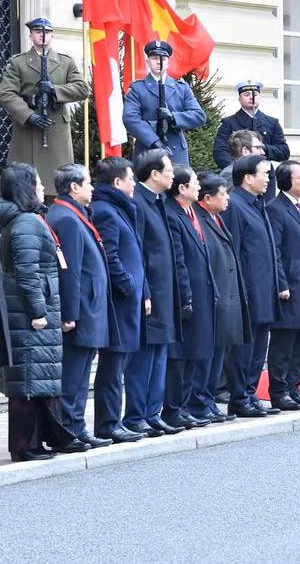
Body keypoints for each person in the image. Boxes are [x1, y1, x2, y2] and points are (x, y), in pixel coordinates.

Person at [0, 163, 89, 461]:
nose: (41, 187)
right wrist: (38, 311)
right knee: (28, 379)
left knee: (39, 378)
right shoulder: (26, 222)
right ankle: (25, 445)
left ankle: (48, 437)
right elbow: (27, 273)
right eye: (37, 183)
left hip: (37, 310)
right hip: (30, 314)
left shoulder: (29, 219)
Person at [48, 164, 116, 448]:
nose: (92, 188)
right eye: (88, 183)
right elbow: (70, 271)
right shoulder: (65, 218)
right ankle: (66, 431)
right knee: (72, 377)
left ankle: (78, 427)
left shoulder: (74, 214)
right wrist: (70, 313)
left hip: (90, 309)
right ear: (74, 187)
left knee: (80, 375)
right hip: (81, 312)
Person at [124, 149, 184, 437]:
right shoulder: (139, 204)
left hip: (166, 292)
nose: (173, 174)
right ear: (154, 174)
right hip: (151, 294)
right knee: (144, 358)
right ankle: (136, 415)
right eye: (168, 170)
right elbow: (138, 254)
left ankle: (152, 412)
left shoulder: (159, 202)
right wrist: (145, 291)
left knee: (160, 355)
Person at [0, 18, 89, 196]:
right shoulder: (18, 62)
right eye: (38, 32)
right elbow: (6, 93)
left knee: (59, 186)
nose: (43, 36)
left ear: (52, 35)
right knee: (24, 187)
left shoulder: (65, 62)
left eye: (46, 32)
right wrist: (28, 115)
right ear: (31, 35)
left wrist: (55, 90)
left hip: (55, 129)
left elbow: (82, 89)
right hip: (28, 130)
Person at [90, 157, 145, 443]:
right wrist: (129, 285)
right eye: (130, 178)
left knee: (118, 366)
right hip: (118, 304)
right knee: (112, 368)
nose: (134, 183)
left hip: (128, 302)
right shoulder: (106, 212)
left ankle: (113, 421)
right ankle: (108, 424)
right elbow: (109, 257)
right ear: (116, 182)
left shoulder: (119, 209)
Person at [222, 154, 282, 417]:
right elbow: (233, 250)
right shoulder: (235, 205)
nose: (269, 178)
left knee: (259, 347)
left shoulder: (258, 203)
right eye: (264, 174)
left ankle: (250, 391)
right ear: (248, 178)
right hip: (248, 290)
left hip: (264, 288)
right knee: (244, 348)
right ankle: (239, 396)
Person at [192, 172, 251, 423]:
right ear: (207, 198)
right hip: (214, 298)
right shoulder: (200, 221)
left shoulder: (216, 218)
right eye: (223, 194)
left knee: (218, 355)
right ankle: (200, 402)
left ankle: (208, 402)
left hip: (226, 298)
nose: (227, 198)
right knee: (207, 356)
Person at [265, 161, 300, 409]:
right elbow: (275, 251)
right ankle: (279, 391)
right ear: (287, 181)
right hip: (290, 286)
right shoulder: (275, 209)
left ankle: (294, 387)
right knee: (284, 342)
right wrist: (281, 283)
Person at [162, 165, 216, 429]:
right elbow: (179, 260)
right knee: (181, 355)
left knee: (197, 351)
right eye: (194, 182)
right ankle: (174, 408)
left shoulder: (191, 212)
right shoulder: (173, 215)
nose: (198, 186)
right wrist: (186, 297)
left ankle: (186, 405)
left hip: (202, 292)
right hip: (187, 294)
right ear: (182, 188)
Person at [122, 40, 207, 165]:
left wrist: (173, 117)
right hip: (148, 148)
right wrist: (155, 141)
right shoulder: (137, 88)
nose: (159, 62)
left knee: (178, 183)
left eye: (163, 58)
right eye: (154, 58)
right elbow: (130, 119)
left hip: (175, 149)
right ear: (148, 62)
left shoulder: (181, 88)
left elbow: (199, 116)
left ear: (168, 62)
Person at [212, 80, 289, 193]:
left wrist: (264, 148)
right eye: (246, 94)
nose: (251, 97)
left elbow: (284, 151)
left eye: (255, 94)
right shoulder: (229, 123)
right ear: (240, 99)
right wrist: (237, 169)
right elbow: (219, 151)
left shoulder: (272, 122)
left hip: (265, 176)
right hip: (239, 177)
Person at [218, 129, 274, 200]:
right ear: (245, 151)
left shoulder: (243, 172)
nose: (262, 152)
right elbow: (232, 206)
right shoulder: (230, 174)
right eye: (258, 148)